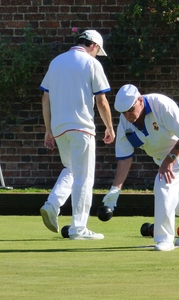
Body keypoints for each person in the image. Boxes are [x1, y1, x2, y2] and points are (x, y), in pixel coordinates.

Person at [103, 84, 179, 251]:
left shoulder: (161, 105)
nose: (128, 115)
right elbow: (124, 158)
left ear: (139, 100)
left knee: (163, 184)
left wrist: (169, 160)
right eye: (123, 112)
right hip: (163, 159)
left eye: (130, 110)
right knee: (178, 201)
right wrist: (115, 189)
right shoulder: (125, 123)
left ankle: (164, 239)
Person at [39, 29, 115, 240]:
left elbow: (45, 98)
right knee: (84, 177)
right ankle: (78, 229)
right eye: (97, 51)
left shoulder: (56, 62)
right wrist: (109, 127)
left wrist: (48, 130)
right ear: (94, 45)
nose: (96, 54)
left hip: (60, 128)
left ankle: (52, 204)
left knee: (71, 169)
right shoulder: (92, 64)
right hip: (81, 128)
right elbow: (101, 101)